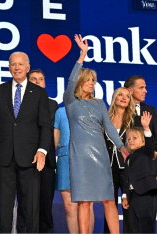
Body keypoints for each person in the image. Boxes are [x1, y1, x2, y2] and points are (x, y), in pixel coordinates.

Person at [0, 51, 52, 233]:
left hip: (30, 156)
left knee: (30, 206)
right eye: (13, 64)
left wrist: (42, 150)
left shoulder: (39, 93)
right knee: (5, 206)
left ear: (27, 68)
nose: (16, 67)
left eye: (20, 64)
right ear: (9, 68)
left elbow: (45, 126)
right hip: (5, 156)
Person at [64, 34, 128, 233]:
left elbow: (109, 127)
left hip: (100, 157)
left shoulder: (99, 103)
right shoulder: (71, 102)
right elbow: (71, 79)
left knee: (108, 199)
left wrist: (121, 147)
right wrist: (82, 54)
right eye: (88, 80)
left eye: (94, 80)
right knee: (84, 202)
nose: (92, 83)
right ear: (80, 81)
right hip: (80, 158)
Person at [54, 107, 94, 233]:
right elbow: (55, 140)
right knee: (69, 207)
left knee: (86, 205)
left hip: (87, 160)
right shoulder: (61, 112)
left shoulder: (94, 110)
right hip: (65, 160)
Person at [27, 69, 58, 233]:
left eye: (40, 79)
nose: (38, 82)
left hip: (46, 161)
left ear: (45, 84)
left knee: (45, 207)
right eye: (33, 79)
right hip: (25, 160)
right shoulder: (18, 103)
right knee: (27, 207)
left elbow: (51, 132)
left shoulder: (52, 104)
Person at [103, 87, 135, 233]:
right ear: (114, 97)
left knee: (129, 206)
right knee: (109, 206)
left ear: (130, 101)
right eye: (120, 95)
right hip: (108, 169)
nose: (124, 98)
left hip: (128, 169)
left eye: (127, 96)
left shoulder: (133, 120)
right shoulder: (104, 119)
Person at [122, 113, 156, 233]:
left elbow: (150, 146)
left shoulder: (145, 152)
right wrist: (125, 195)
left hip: (145, 192)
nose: (130, 141)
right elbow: (127, 178)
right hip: (133, 195)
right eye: (129, 139)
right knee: (136, 226)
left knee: (146, 223)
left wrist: (146, 128)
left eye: (134, 138)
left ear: (142, 140)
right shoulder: (129, 159)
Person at [124, 76, 157, 174]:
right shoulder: (121, 109)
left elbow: (155, 136)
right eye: (141, 88)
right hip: (125, 162)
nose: (146, 91)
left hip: (147, 164)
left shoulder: (150, 110)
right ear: (130, 90)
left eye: (145, 87)